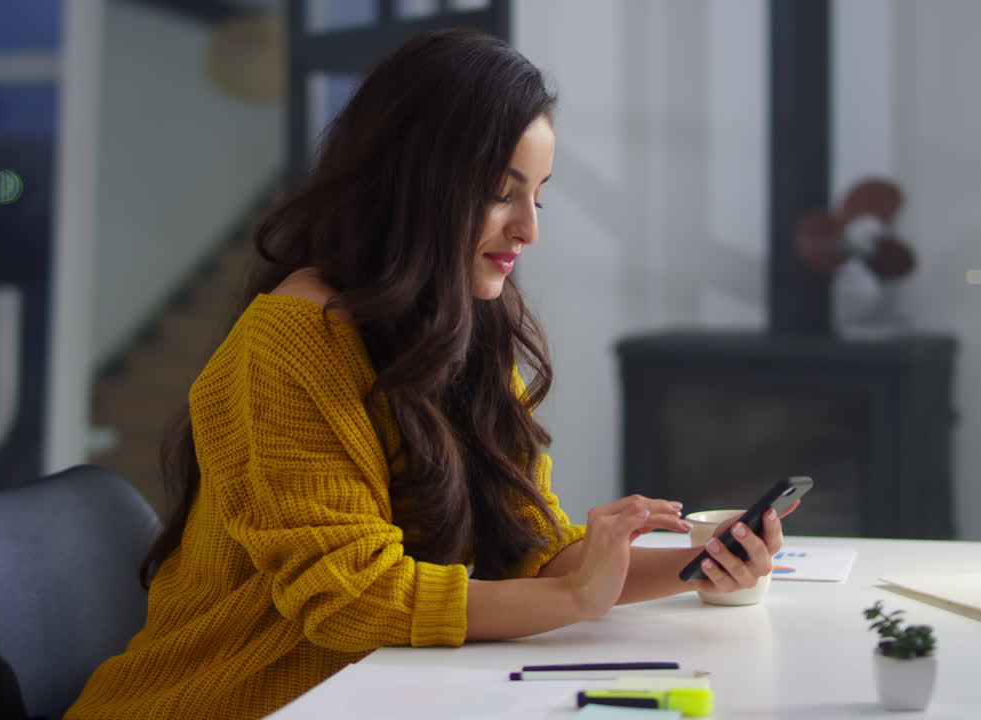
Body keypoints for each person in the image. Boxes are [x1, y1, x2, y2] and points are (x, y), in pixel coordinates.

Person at [65, 28, 791, 720]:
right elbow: (352, 599)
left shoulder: (463, 327)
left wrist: (701, 561)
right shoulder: (292, 337)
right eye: (502, 193)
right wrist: (576, 599)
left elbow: (533, 552)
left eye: (538, 195)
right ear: (416, 183)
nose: (529, 229)